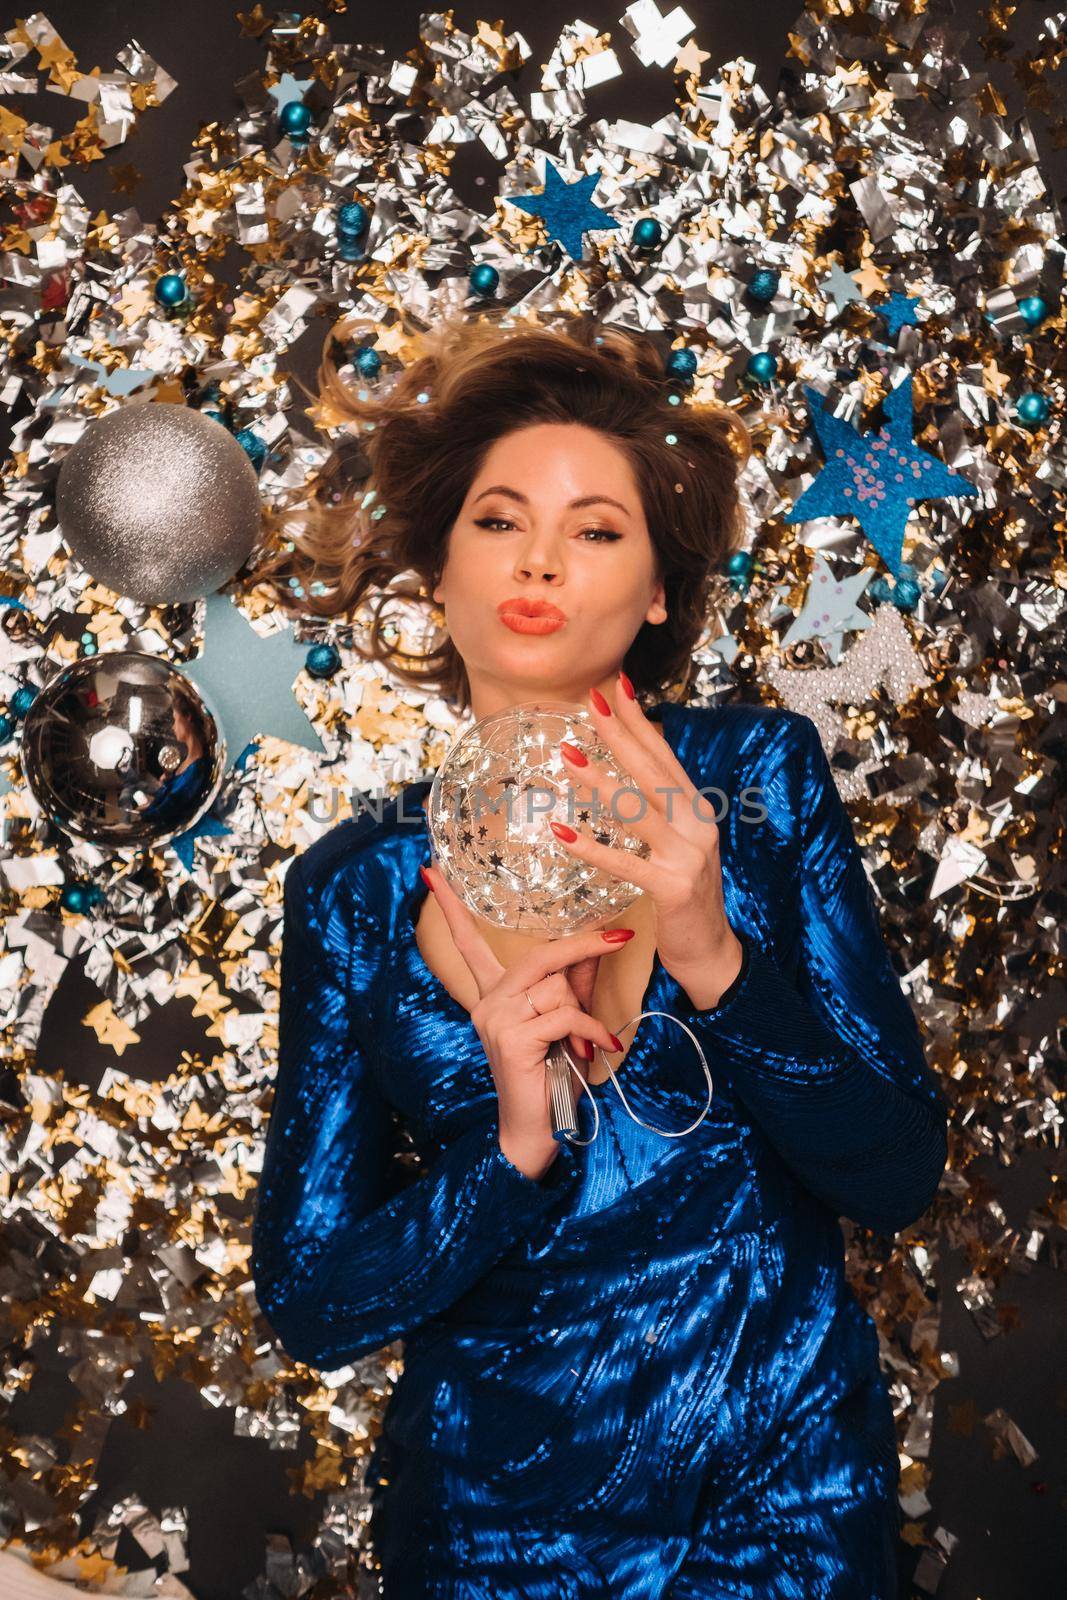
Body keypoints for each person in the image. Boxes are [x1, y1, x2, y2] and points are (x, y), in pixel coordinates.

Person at [250, 313, 948, 1598]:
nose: (540, 563)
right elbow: (311, 1298)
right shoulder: (352, 888)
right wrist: (512, 1150)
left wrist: (712, 954)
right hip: (488, 1538)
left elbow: (895, 1172)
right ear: (438, 575)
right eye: (499, 520)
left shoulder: (755, 784)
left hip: (779, 1514)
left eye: (596, 530)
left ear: (657, 589)